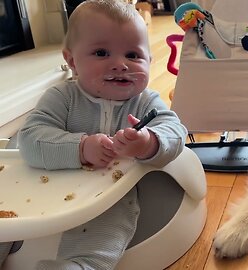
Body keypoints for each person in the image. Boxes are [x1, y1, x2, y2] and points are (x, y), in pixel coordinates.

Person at [15, 0, 187, 269]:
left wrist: (148, 142)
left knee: (107, 228)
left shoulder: (145, 102)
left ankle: (82, 265)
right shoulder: (62, 97)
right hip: (44, 188)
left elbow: (175, 131)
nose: (120, 64)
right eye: (102, 53)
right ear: (72, 61)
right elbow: (29, 139)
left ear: (150, 60)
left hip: (109, 195)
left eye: (133, 55)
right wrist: (81, 148)